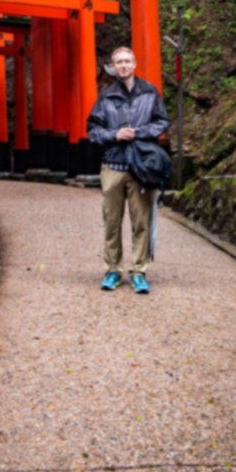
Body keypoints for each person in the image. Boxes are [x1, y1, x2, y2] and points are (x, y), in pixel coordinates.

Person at [87, 46, 170, 294]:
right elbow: (93, 130)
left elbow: (162, 121)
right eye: (118, 62)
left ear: (134, 64)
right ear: (113, 67)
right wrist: (115, 134)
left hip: (141, 166)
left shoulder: (149, 92)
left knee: (140, 221)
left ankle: (138, 271)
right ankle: (113, 270)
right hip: (113, 166)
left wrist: (138, 133)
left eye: (127, 61)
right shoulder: (106, 96)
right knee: (112, 221)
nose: (123, 65)